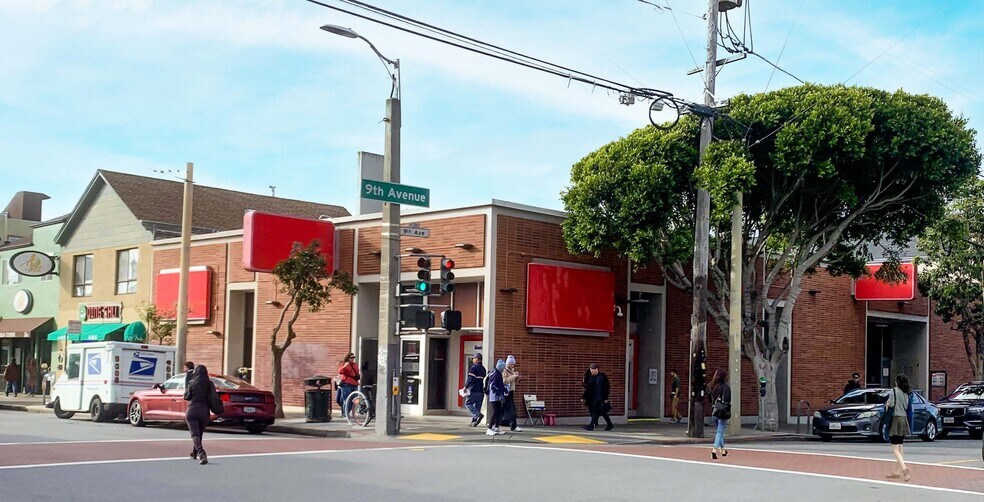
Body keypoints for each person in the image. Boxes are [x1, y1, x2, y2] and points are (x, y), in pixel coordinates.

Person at [183, 365, 215, 465]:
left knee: (195, 434)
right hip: (204, 411)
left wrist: (186, 390)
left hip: (192, 411)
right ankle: (194, 453)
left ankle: (201, 453)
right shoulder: (210, 384)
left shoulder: (192, 383)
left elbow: (187, 397)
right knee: (199, 434)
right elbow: (213, 397)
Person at [886, 374, 912, 482]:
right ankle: (896, 472)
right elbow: (906, 406)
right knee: (900, 446)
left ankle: (904, 469)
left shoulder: (894, 391)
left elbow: (891, 404)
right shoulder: (906, 392)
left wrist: (887, 404)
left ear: (897, 382)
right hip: (903, 419)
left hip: (895, 419)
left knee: (895, 448)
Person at [709, 369, 731, 460]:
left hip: (714, 411)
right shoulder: (726, 388)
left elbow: (709, 398)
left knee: (719, 432)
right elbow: (727, 401)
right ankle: (714, 450)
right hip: (723, 412)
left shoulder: (713, 386)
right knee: (719, 432)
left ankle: (723, 450)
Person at [583, 363, 613, 431]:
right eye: (591, 370)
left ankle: (591, 426)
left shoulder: (602, 376)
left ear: (597, 369)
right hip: (594, 397)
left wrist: (605, 398)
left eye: (593, 370)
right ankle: (609, 424)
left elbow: (606, 387)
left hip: (601, 397)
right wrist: (584, 396)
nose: (592, 371)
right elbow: (588, 388)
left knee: (596, 411)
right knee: (602, 412)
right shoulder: (592, 378)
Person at [501, 355, 523, 432]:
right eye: (512, 364)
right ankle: (513, 425)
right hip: (506, 392)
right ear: (508, 364)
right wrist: (514, 376)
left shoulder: (512, 371)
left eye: (513, 364)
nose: (513, 366)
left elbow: (513, 382)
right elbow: (505, 381)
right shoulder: (504, 371)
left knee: (507, 409)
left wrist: (517, 378)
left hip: (511, 391)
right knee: (511, 409)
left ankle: (494, 424)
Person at [486, 359, 508, 436]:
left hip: (496, 396)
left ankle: (496, 427)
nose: (504, 369)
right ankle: (489, 428)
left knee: (497, 412)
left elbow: (499, 385)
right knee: (495, 412)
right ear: (501, 367)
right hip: (494, 397)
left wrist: (504, 390)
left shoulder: (496, 373)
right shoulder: (496, 374)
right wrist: (500, 394)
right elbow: (493, 386)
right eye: (503, 367)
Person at [464, 353, 486, 427]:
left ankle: (477, 415)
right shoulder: (483, 369)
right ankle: (474, 422)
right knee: (477, 407)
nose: (473, 360)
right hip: (481, 390)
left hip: (474, 389)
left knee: (468, 404)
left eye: (473, 358)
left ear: (476, 359)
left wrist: (466, 386)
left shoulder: (474, 368)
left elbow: (471, 379)